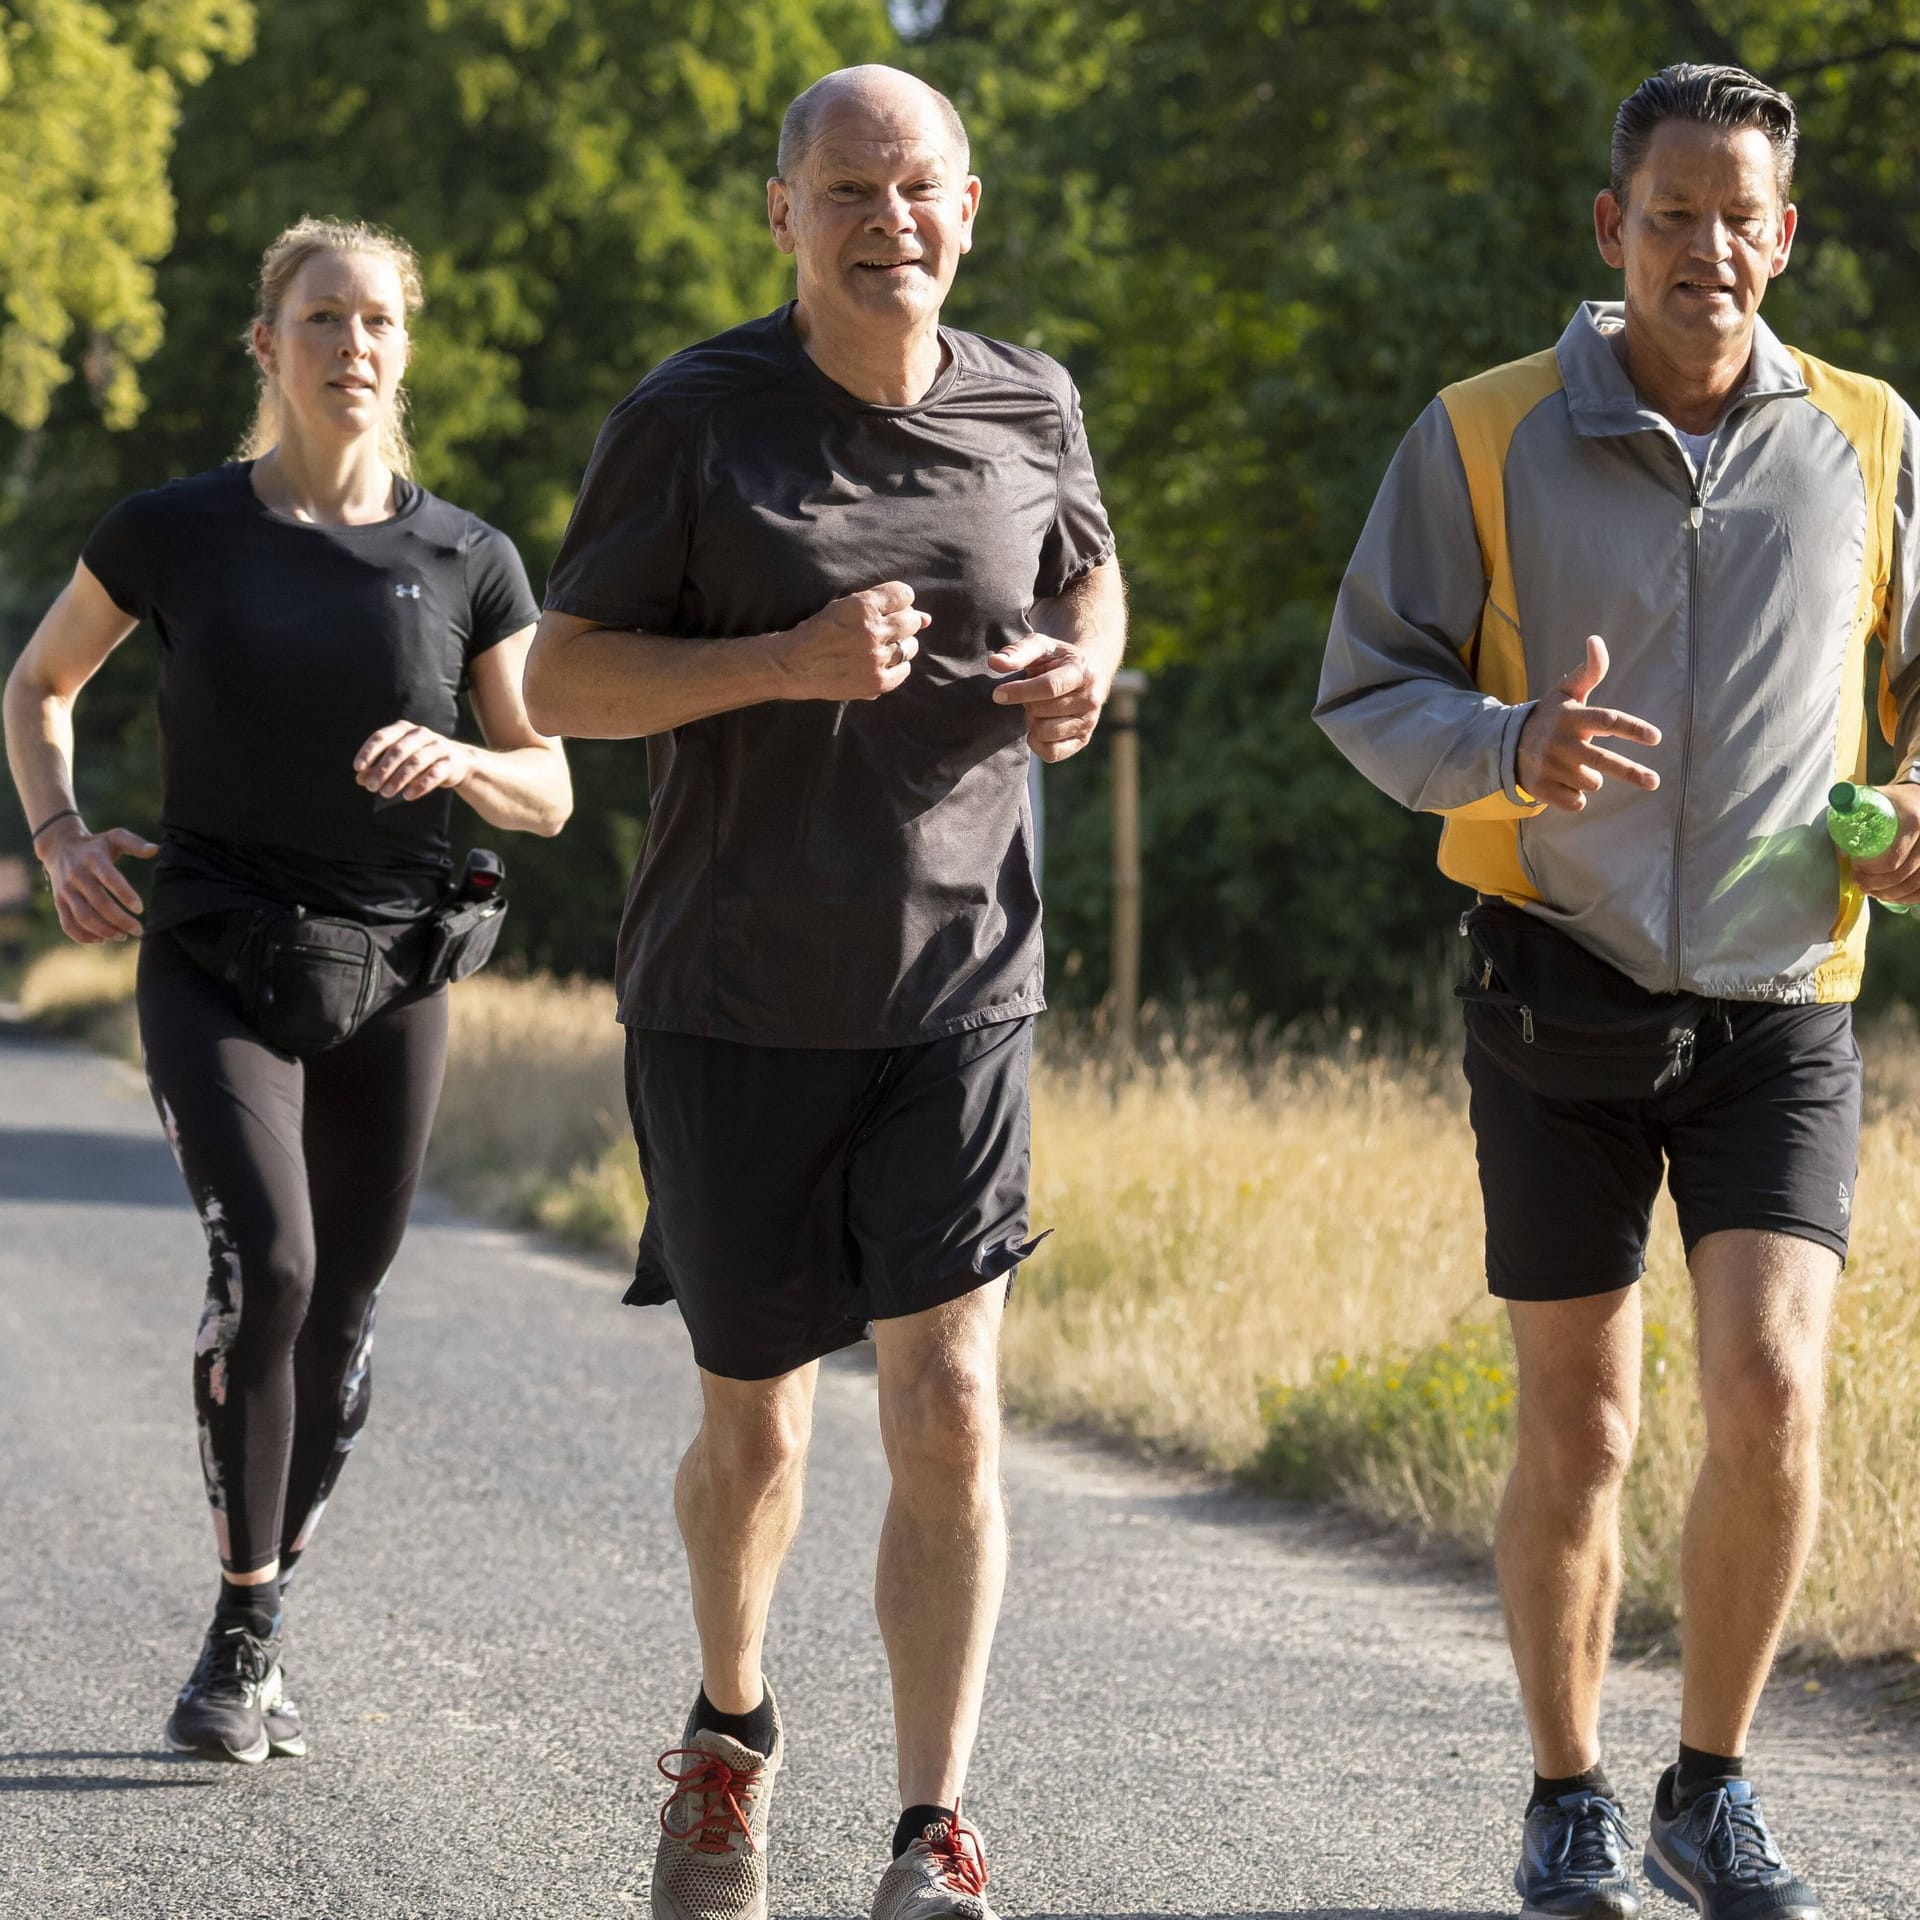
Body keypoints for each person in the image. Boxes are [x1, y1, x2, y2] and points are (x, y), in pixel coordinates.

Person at [1314, 62, 1918, 1920]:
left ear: (1786, 235)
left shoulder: (1877, 436)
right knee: (1582, 1422)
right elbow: (1368, 690)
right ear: (1612, 228)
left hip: (1784, 995)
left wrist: (1907, 802)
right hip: (1552, 983)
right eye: (1674, 215)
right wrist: (1511, 744)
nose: (1709, 251)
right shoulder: (1486, 433)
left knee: (1772, 1387)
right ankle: (1569, 1792)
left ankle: (1709, 1788)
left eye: (1743, 218)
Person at [525, 63, 1124, 1920]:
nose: (891, 224)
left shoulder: (1032, 399)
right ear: (782, 215)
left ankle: (928, 1829)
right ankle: (729, 1734)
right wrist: (783, 657)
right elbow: (556, 686)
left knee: (945, 1403)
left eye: (919, 188)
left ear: (969, 202)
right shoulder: (696, 421)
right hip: (731, 990)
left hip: (961, 980)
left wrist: (1082, 676)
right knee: (759, 1426)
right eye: (848, 192)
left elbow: (1097, 584)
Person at [3, 216, 572, 1765]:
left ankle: (274, 1578)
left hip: (396, 963)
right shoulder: (175, 531)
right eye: (322, 318)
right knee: (273, 1263)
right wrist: (58, 836)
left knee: (348, 1301)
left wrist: (464, 752)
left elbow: (550, 788)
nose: (353, 346)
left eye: (379, 319)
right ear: (269, 345)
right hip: (214, 947)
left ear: (406, 344)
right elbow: (40, 683)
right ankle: (241, 1632)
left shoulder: (471, 559)